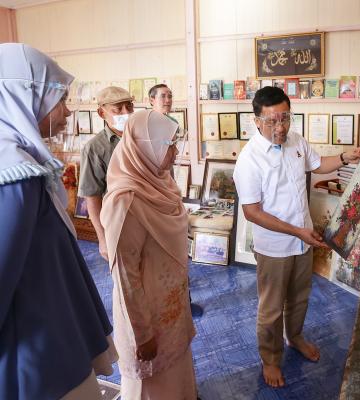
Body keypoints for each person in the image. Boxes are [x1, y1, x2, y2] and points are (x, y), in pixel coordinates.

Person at [0, 43, 117, 399]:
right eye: (60, 99)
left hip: (50, 332)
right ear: (25, 97)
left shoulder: (22, 162)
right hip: (37, 355)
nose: (67, 110)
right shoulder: (15, 177)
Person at [233, 86, 360, 387]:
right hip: (275, 247)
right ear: (256, 121)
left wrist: (346, 156)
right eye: (272, 121)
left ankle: (294, 337)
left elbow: (319, 164)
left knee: (299, 297)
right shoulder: (249, 160)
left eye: (285, 118)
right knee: (271, 308)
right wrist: (297, 232)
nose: (280, 127)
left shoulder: (296, 141)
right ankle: (270, 359)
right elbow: (252, 212)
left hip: (303, 240)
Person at [100, 110, 197, 399]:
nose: (176, 152)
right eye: (169, 144)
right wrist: (142, 335)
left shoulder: (161, 182)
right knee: (152, 380)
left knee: (176, 367)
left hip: (171, 302)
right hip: (146, 316)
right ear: (146, 147)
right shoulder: (125, 202)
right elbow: (125, 277)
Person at [78, 86, 134, 260]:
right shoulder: (94, 148)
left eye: (129, 107)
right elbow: (92, 196)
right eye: (118, 109)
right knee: (126, 272)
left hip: (150, 221)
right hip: (118, 223)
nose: (126, 113)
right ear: (102, 113)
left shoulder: (143, 137)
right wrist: (102, 239)